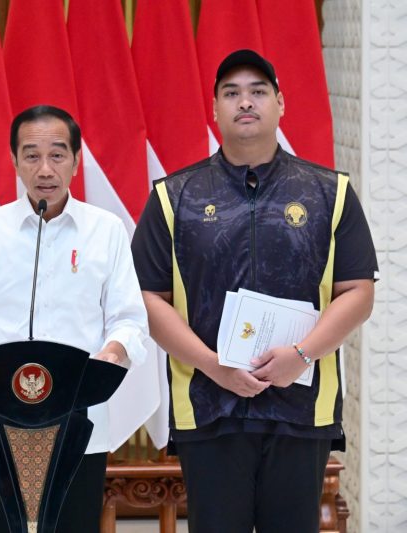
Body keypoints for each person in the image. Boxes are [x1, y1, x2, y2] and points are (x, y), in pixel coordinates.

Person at [132, 49, 377, 533]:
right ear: (216, 108)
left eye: (258, 91)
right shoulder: (173, 196)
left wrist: (302, 355)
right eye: (232, 93)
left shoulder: (330, 192)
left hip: (300, 406)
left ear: (281, 104)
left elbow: (358, 292)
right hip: (209, 403)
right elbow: (147, 298)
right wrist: (210, 363)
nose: (246, 102)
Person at [0, 105, 149, 531]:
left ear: (77, 160)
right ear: (14, 160)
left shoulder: (105, 230)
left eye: (57, 154)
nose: (45, 169)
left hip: (77, 419)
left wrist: (112, 353)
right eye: (31, 155)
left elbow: (130, 320)